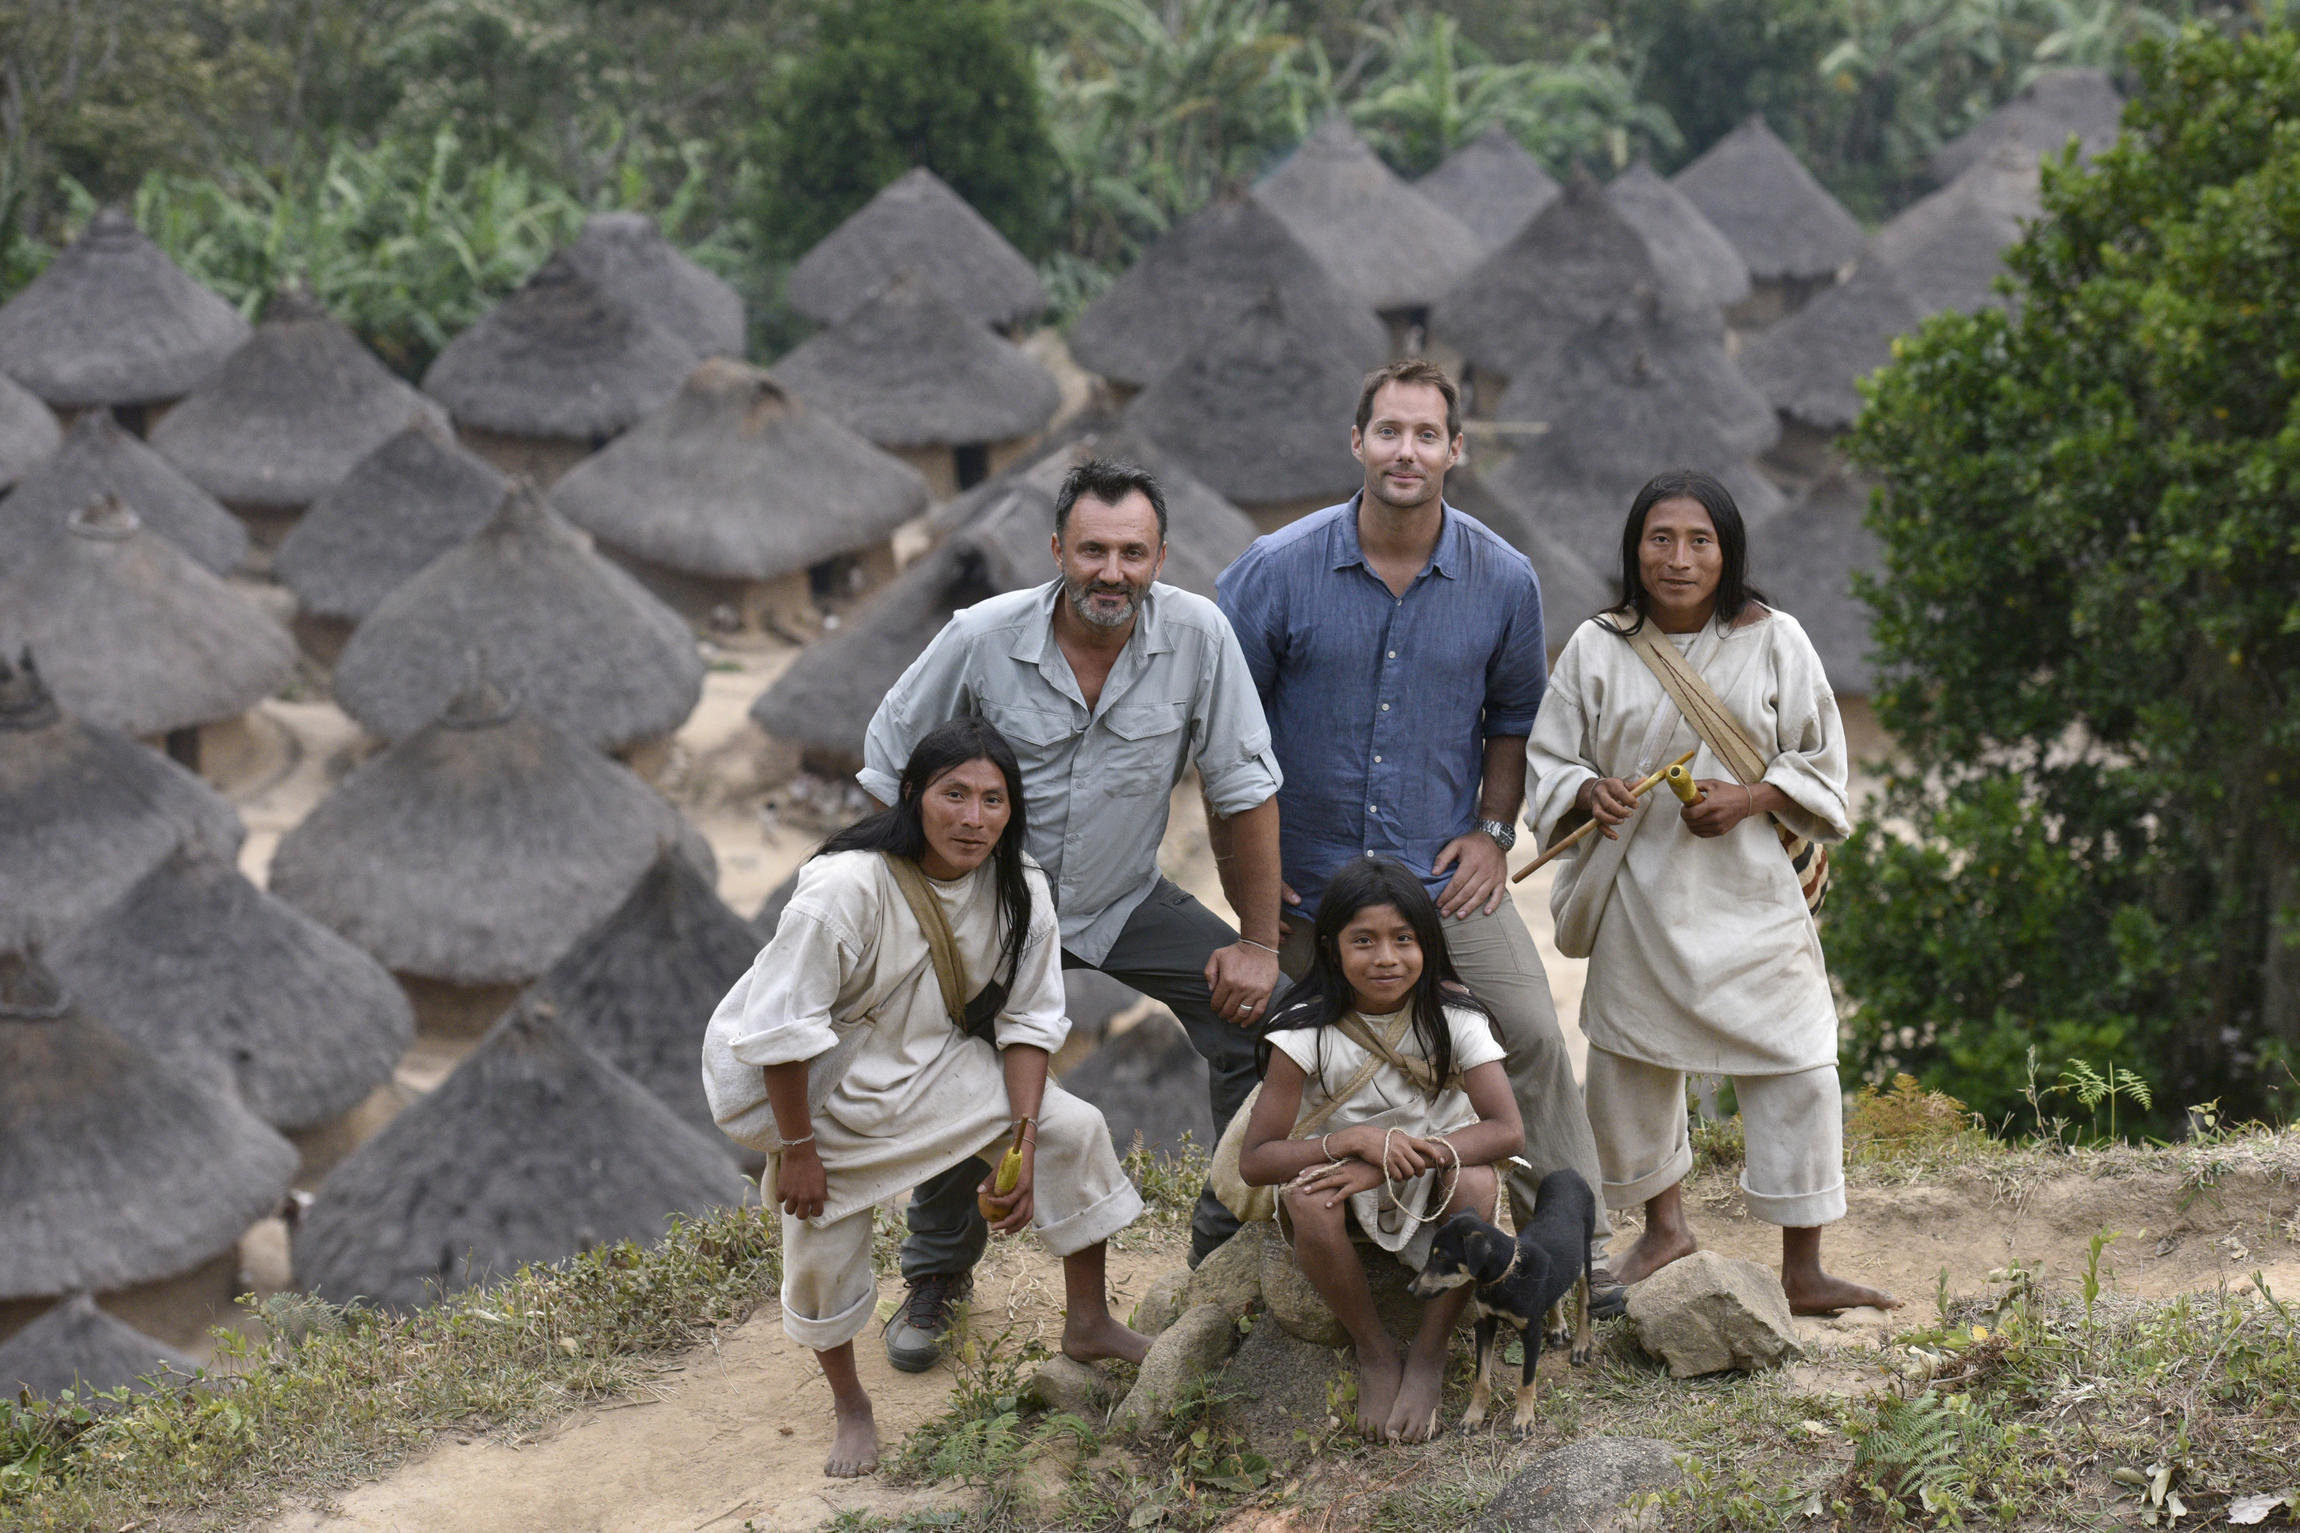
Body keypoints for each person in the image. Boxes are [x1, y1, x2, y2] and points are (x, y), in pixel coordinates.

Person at [859, 458, 1285, 1368]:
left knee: (1270, 1016)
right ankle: (936, 1274)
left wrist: (1255, 941)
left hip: (1121, 898)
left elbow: (1245, 785)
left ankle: (1227, 1252)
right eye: (1093, 550)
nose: (1112, 572)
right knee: (957, 1055)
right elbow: (888, 758)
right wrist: (919, 916)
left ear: (1161, 556)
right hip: (993, 908)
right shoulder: (982, 635)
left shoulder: (1200, 635)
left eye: (1133, 553)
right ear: (1057, 549)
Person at [1214, 358, 1617, 1299]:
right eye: (1388, 431)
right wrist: (1249, 886)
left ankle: (1576, 1247)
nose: (1407, 450)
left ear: (1456, 450)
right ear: (1356, 442)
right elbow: (1221, 732)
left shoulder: (1503, 579)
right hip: (1303, 876)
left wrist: (1492, 830)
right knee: (1254, 1034)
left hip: (1438, 883)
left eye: (1426, 434)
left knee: (1528, 1031)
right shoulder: (1276, 571)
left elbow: (1513, 720)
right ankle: (1225, 1235)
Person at [706, 719, 1150, 1476]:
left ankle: (1089, 1321)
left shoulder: (1021, 890)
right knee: (820, 1243)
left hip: (932, 1062)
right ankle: (851, 1405)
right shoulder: (843, 887)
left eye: (992, 799)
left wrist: (1021, 1143)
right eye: (954, 795)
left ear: (1011, 810)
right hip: (824, 1085)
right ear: (913, 795)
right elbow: (783, 1029)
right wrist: (802, 1150)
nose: (973, 818)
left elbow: (1030, 1022)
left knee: (1076, 1128)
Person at [1525, 470, 1898, 1315]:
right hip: (1641, 894)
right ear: (1635, 549)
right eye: (1661, 539)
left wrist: (1753, 797)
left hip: (1755, 897)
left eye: (1700, 541)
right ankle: (1665, 1229)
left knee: (1801, 1063)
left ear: (1727, 552)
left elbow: (1821, 759)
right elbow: (1553, 759)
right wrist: (1592, 793)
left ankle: (1803, 1269)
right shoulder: (1595, 646)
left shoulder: (1777, 640)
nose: (1679, 558)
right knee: (1633, 1062)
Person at [1239, 856, 1521, 1444]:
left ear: (1428, 944)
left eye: (1403, 940)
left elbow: (1505, 1130)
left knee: (1477, 1186)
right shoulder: (1303, 1031)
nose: (1386, 958)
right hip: (1340, 1176)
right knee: (1308, 1204)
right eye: (1363, 941)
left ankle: (1429, 1350)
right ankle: (1374, 1348)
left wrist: (1393, 1160)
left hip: (1435, 1170)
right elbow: (1257, 1158)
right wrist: (1349, 1144)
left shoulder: (1455, 1019)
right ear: (1331, 946)